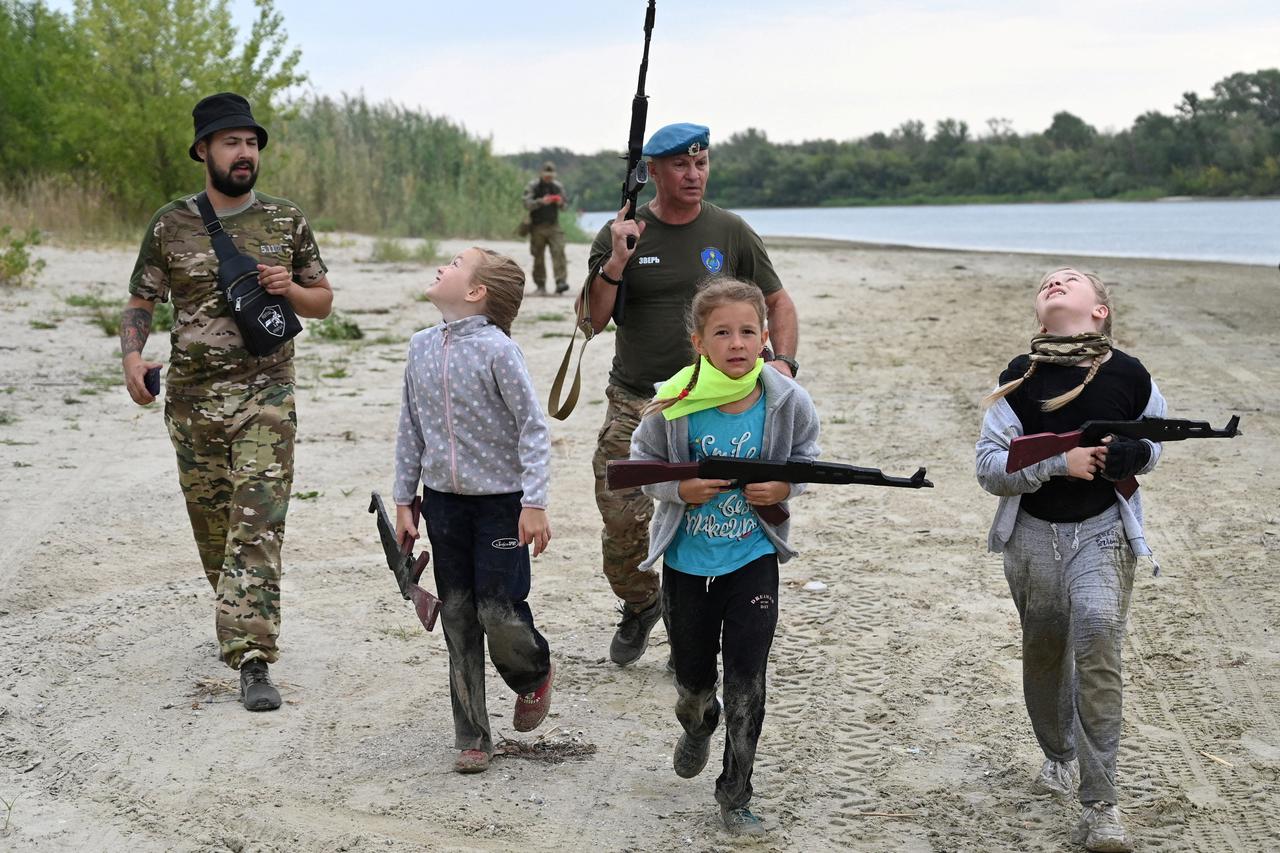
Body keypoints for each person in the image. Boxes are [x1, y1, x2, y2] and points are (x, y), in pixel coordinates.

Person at [120, 92, 333, 712]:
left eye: (252, 143)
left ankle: (252, 656)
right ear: (203, 151)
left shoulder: (286, 220)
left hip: (267, 394)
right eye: (232, 143)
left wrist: (289, 287)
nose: (245, 154)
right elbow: (141, 301)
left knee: (256, 523)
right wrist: (133, 358)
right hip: (191, 403)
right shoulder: (170, 224)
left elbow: (323, 301)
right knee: (215, 531)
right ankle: (236, 610)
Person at [580, 121, 800, 667]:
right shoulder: (624, 233)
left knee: (712, 515)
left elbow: (778, 301)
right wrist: (616, 260)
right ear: (651, 172)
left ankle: (693, 630)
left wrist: (786, 367)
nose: (694, 174)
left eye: (701, 163)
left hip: (720, 403)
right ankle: (639, 604)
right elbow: (590, 321)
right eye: (681, 165)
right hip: (641, 402)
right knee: (622, 519)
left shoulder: (730, 230)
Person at [976, 267, 1166, 852]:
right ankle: (1057, 754)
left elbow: (1156, 442)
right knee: (1045, 653)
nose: (1055, 282)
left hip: (1104, 534)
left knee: (1099, 636)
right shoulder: (1018, 378)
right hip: (1031, 539)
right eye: (1048, 282)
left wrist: (1135, 452)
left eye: (1071, 279)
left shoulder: (1131, 375)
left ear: (1100, 311)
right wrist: (1060, 463)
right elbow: (989, 468)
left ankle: (1102, 803)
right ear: (1040, 315)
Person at [629, 278, 819, 836]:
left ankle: (736, 792)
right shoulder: (674, 401)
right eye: (722, 332)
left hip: (752, 558)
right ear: (698, 340)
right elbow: (642, 467)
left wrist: (785, 487)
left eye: (747, 331)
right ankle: (697, 721)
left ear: (765, 337)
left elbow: (808, 458)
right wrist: (678, 490)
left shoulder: (786, 398)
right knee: (692, 682)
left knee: (747, 682)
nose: (736, 343)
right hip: (686, 564)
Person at [393, 247, 555, 774]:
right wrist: (404, 500)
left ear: (475, 292)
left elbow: (533, 427)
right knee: (459, 616)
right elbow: (410, 428)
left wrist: (533, 502)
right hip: (443, 504)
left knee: (497, 610)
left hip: (501, 504)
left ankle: (532, 674)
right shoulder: (420, 347)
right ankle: (473, 734)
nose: (442, 265)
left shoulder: (498, 351)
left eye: (456, 263)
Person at [522, 161, 570, 295]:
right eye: (546, 174)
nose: (549, 177)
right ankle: (540, 285)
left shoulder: (557, 186)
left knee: (559, 252)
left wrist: (560, 203)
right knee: (538, 256)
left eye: (551, 175)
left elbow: (565, 206)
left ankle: (561, 282)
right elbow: (526, 203)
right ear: (541, 173)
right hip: (537, 227)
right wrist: (541, 202)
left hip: (554, 226)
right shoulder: (533, 186)